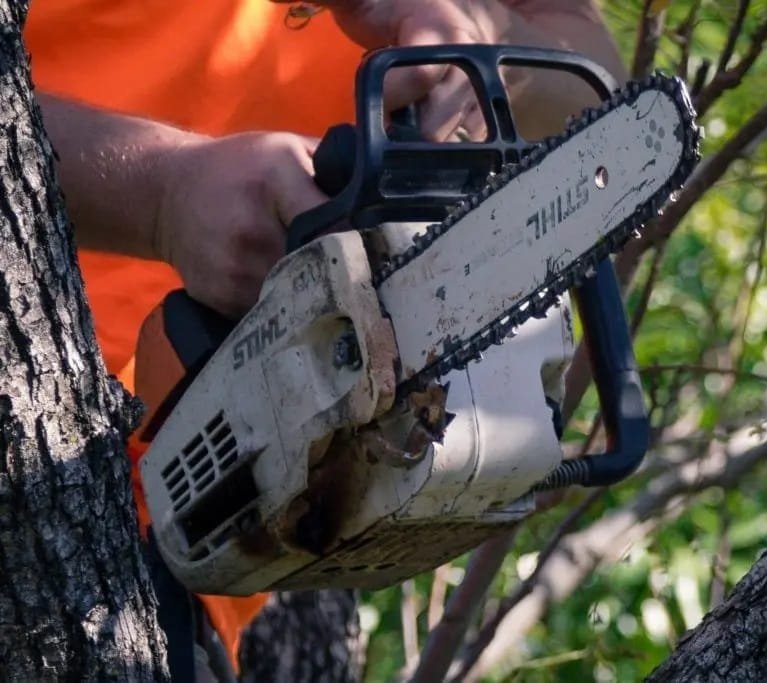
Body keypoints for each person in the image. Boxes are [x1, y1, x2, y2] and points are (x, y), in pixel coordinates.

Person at [25, 0, 626, 675]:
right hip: (32, 436)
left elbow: (592, 84)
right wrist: (160, 194)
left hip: (195, 527)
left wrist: (489, 42)